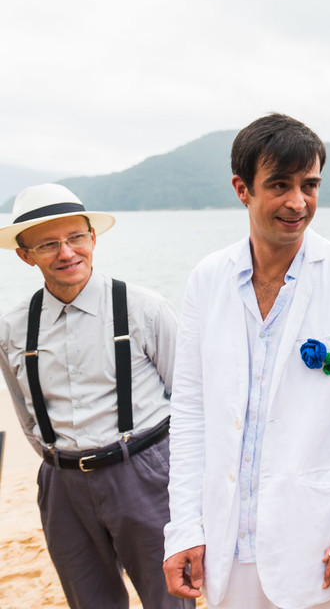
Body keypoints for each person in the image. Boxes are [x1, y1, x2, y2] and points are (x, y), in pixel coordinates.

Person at [162, 114, 330, 608]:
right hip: (228, 541)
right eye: (280, 185)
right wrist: (183, 528)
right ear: (242, 189)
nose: (298, 202)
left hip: (323, 539)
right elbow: (190, 413)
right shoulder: (207, 279)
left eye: (309, 185)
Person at [0, 184, 190, 609]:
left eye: (76, 238)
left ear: (93, 238)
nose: (67, 253)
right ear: (24, 255)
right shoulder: (12, 329)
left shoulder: (144, 308)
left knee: (168, 598)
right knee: (89, 600)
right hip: (62, 484)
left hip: (143, 473)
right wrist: (61, 463)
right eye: (48, 244)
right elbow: (27, 419)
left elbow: (189, 403)